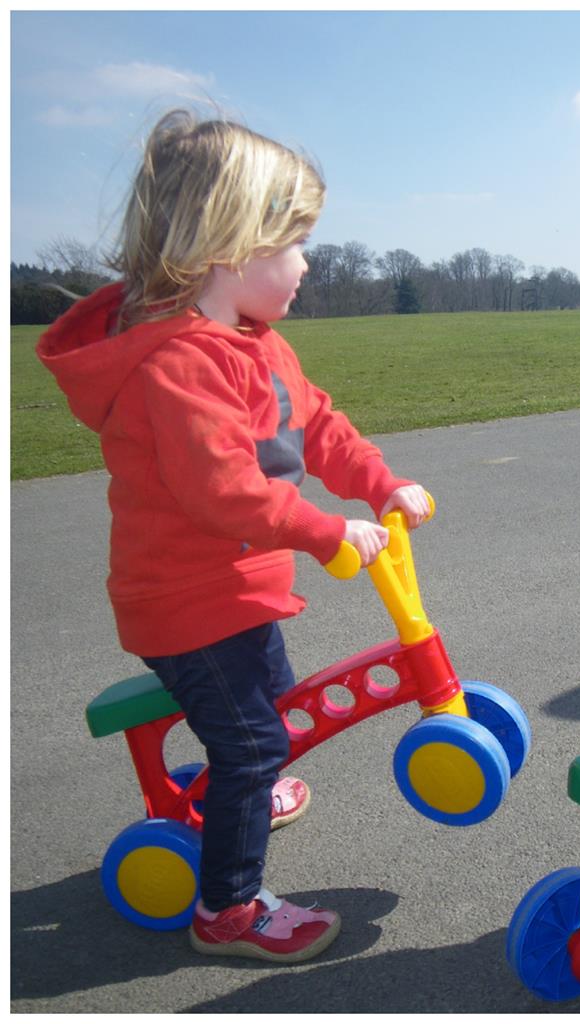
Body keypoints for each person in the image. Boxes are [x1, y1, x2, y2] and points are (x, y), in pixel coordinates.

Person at [37, 109, 432, 964]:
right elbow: (224, 490)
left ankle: (237, 790)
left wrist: (381, 482)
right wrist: (328, 531)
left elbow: (317, 424)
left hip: (234, 592)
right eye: (293, 243)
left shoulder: (256, 344)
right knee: (255, 737)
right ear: (231, 246)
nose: (307, 263)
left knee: (268, 706)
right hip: (184, 599)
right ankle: (228, 909)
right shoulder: (179, 364)